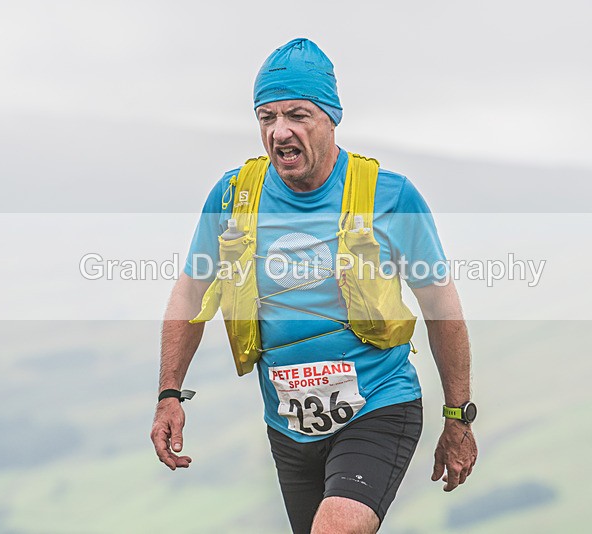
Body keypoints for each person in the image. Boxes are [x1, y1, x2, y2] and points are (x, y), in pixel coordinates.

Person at [151, 38, 477, 534]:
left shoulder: (391, 197)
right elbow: (191, 292)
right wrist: (169, 392)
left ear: (330, 118)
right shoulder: (234, 196)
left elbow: (441, 304)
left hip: (379, 404)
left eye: (297, 114)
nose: (280, 131)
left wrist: (459, 415)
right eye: (266, 117)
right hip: (288, 424)